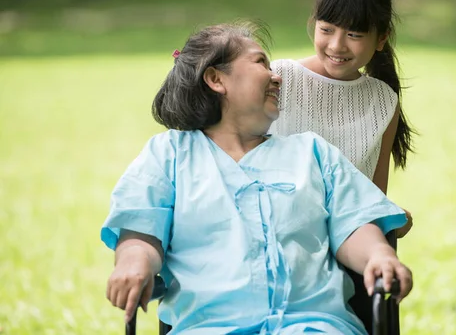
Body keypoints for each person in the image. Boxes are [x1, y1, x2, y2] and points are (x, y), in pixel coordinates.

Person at [102, 22, 413, 334]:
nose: (276, 76)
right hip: (211, 327)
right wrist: (133, 262)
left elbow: (354, 224)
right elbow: (141, 231)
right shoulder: (169, 154)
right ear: (215, 79)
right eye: (260, 62)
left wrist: (378, 254)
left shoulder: (313, 153)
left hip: (312, 325)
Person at [270, 0, 413, 196]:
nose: (337, 45)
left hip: (348, 231)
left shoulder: (384, 101)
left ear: (381, 38)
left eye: (354, 35)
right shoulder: (278, 79)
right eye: (326, 29)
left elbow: (374, 198)